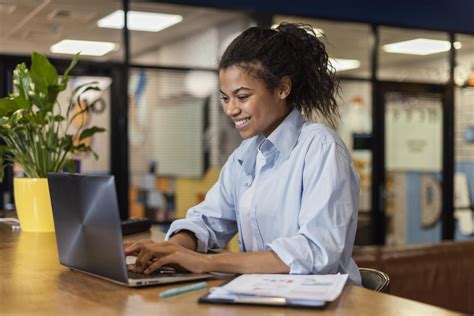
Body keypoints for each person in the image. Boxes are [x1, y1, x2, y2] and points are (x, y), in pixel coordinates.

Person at [125, 22, 361, 285]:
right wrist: (177, 247)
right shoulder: (246, 154)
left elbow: (316, 252)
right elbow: (209, 218)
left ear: (283, 88)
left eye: (242, 96)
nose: (231, 110)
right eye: (225, 98)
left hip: (325, 303)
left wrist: (205, 262)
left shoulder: (321, 148)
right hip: (263, 293)